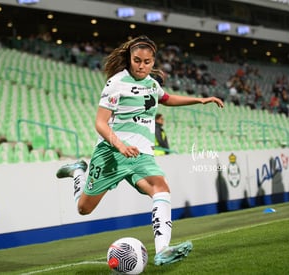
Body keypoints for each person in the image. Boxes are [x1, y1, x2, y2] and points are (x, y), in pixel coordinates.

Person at [56, 35, 224, 265]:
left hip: (141, 155)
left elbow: (166, 98)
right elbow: (100, 123)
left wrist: (200, 100)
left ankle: (163, 250)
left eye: (147, 62)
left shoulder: (152, 84)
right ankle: (77, 172)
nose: (142, 66)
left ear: (153, 62)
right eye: (137, 60)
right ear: (130, 58)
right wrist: (120, 145)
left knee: (161, 188)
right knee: (83, 209)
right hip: (111, 154)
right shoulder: (116, 83)